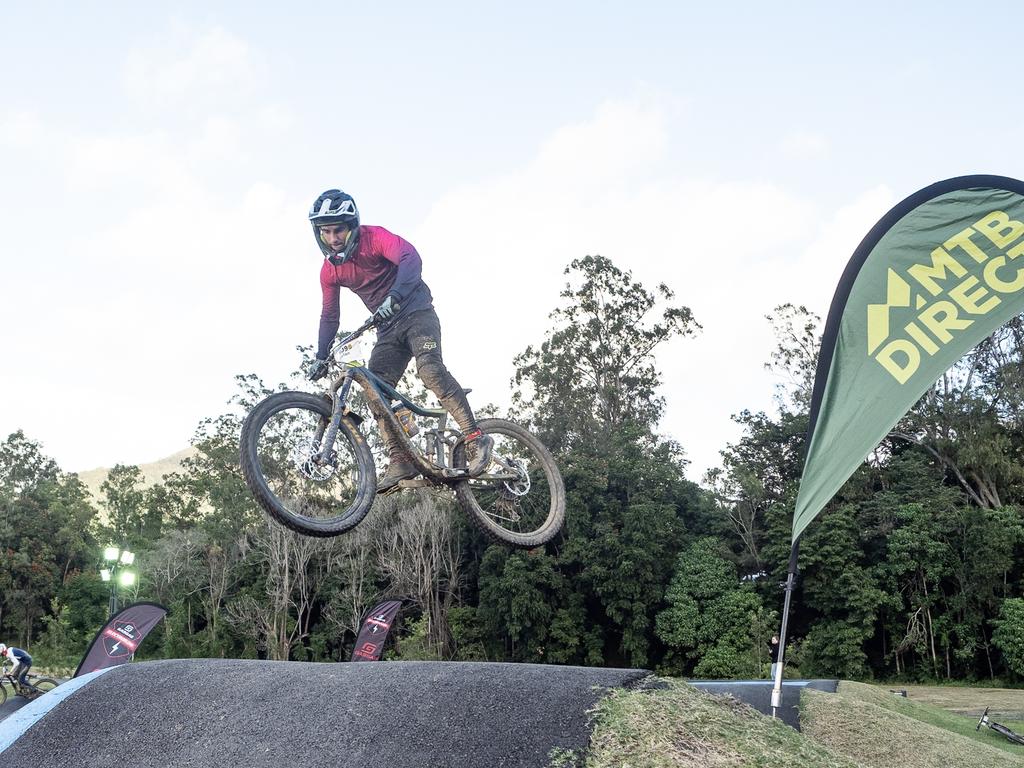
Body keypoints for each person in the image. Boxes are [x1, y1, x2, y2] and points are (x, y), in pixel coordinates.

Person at [306, 189, 493, 493]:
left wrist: (395, 296)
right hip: (387, 329)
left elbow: (410, 257)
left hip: (417, 313)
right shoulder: (330, 271)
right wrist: (320, 354)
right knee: (374, 390)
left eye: (338, 229)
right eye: (325, 231)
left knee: (429, 370)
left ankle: (475, 436)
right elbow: (330, 315)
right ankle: (401, 459)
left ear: (351, 226)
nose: (333, 237)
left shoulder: (375, 238)